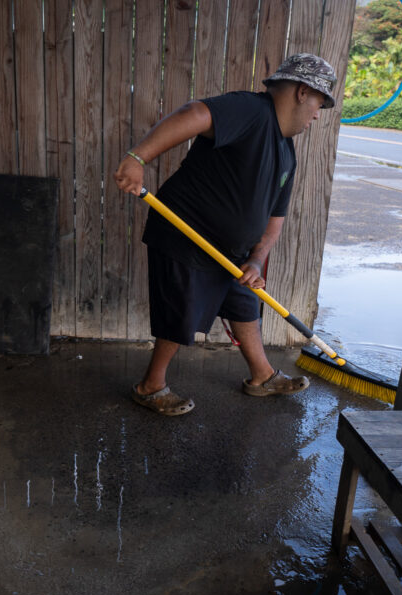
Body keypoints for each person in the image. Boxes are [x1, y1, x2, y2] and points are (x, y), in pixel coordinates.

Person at [113, 53, 338, 416]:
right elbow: (194, 113)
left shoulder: (287, 153)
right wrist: (138, 159)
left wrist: (254, 260)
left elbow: (274, 219)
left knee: (245, 305)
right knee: (181, 312)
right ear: (301, 91)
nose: (316, 114)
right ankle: (150, 387)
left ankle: (262, 376)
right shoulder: (251, 111)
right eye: (318, 103)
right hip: (186, 234)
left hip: (232, 252)